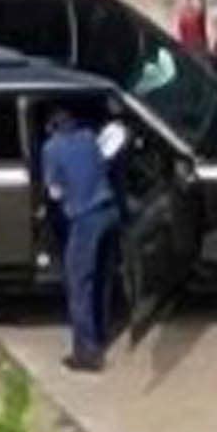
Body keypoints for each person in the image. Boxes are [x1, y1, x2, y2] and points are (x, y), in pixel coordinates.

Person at [41, 107, 129, 372]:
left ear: (52, 127)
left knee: (79, 284)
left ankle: (87, 354)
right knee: (102, 278)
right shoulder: (90, 136)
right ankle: (100, 333)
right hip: (110, 212)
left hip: (85, 218)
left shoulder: (51, 148)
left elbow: (55, 192)